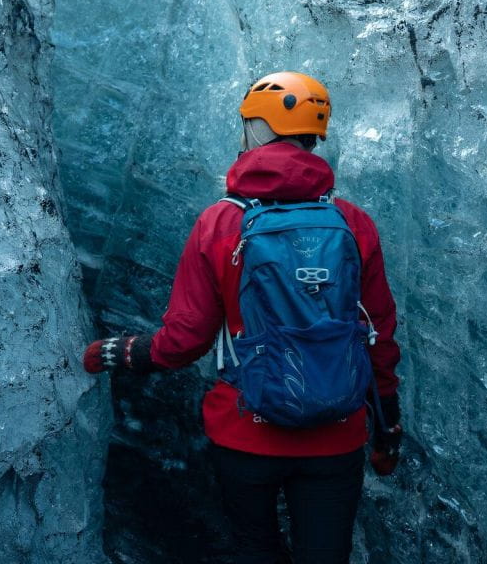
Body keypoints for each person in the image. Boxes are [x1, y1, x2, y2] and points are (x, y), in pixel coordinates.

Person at [83, 71, 402, 564]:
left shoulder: (221, 222)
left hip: (244, 433)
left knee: (256, 551)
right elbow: (377, 335)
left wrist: (120, 352)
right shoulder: (352, 222)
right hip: (336, 437)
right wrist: (387, 428)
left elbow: (185, 341)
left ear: (259, 127)